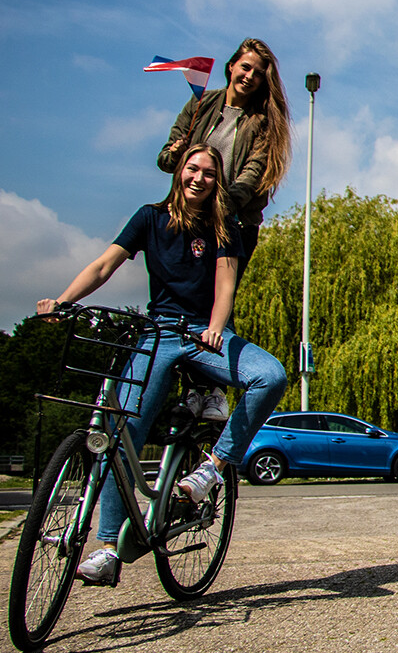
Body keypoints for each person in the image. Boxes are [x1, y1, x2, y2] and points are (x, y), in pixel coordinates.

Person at [38, 145, 288, 586]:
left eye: (209, 173)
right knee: (123, 430)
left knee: (270, 376)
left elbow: (225, 285)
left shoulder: (222, 226)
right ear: (179, 172)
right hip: (159, 333)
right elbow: (104, 265)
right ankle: (108, 547)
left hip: (205, 333)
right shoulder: (149, 218)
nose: (199, 178)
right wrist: (63, 301)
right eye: (193, 169)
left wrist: (215, 329)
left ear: (217, 181)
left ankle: (212, 468)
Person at [156, 38, 291, 421]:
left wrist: (219, 206)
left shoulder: (264, 122)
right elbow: (166, 160)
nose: (249, 76)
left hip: (233, 224)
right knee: (185, 305)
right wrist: (175, 152)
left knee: (218, 304)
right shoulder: (201, 105)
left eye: (258, 73)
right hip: (189, 221)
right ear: (231, 66)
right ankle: (190, 389)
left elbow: (253, 175)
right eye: (245, 67)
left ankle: (212, 389)